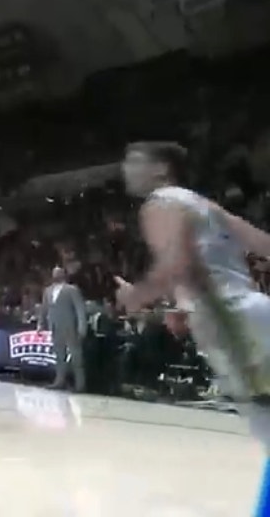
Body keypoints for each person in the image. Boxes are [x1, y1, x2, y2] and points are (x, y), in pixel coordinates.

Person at [115, 141, 270, 447]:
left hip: (234, 329)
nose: (126, 168)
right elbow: (264, 244)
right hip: (257, 311)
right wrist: (180, 306)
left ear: (161, 169)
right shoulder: (204, 204)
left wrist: (136, 297)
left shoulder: (159, 203)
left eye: (135, 161)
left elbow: (176, 264)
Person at [38, 266, 87, 392]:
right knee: (59, 355)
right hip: (55, 326)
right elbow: (44, 309)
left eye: (58, 272)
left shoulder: (72, 289)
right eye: (54, 272)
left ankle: (80, 384)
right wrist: (40, 324)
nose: (56, 275)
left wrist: (82, 326)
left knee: (76, 355)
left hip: (70, 325)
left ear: (64, 274)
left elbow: (80, 309)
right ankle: (59, 381)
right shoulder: (48, 291)